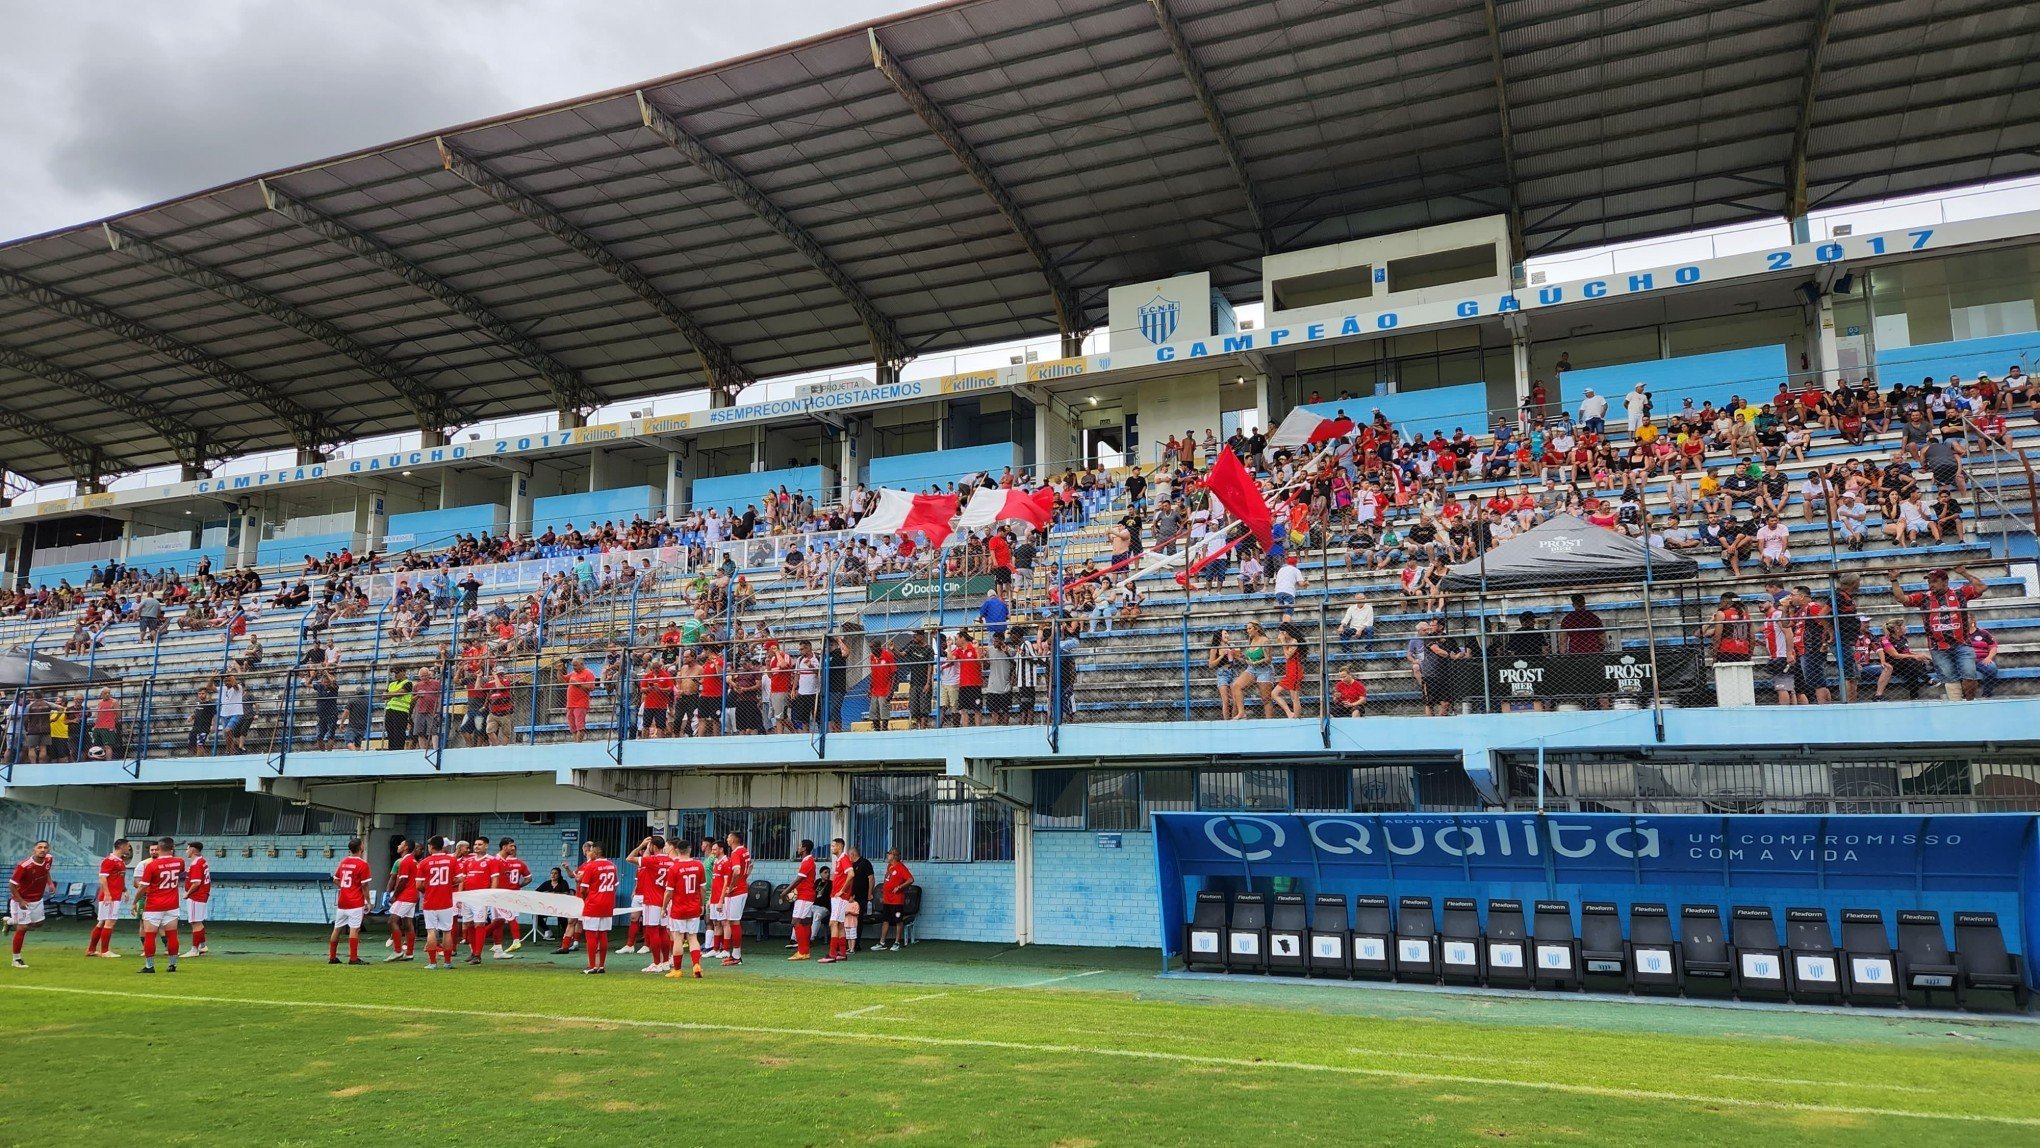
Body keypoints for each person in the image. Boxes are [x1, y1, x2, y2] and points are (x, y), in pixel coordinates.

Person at [1889, 565, 1985, 700]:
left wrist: (1964, 573)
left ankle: (1970, 702)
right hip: (1938, 647)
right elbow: (1901, 598)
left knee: (1969, 675)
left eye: (1934, 581)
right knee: (1950, 678)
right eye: (1929, 581)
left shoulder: (1959, 593)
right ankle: (1956, 705)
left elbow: (1981, 588)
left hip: (1962, 644)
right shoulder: (1924, 597)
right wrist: (1894, 580)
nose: (1930, 584)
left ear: (1945, 581)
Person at [133, 837, 186, 974]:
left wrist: (134, 902)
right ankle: (172, 965)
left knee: (150, 935)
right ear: (172, 848)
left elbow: (143, 887)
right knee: (172, 934)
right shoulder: (179, 862)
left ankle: (150, 966)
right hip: (172, 904)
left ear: (159, 849)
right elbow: (179, 871)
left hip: (154, 905)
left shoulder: (151, 865)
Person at [661, 838, 707, 980]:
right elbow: (703, 888)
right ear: (690, 849)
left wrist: (663, 907)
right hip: (693, 907)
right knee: (693, 937)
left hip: (679, 908)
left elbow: (669, 892)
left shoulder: (674, 868)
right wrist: (701, 904)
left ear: (677, 850)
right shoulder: (698, 865)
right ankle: (696, 965)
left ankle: (678, 970)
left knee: (678, 938)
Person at [573, 839, 619, 974]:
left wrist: (588, 896)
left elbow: (582, 889)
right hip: (608, 904)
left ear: (598, 851)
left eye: (592, 850)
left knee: (591, 935)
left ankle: (592, 965)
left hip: (593, 904)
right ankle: (602, 966)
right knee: (603, 934)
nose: (590, 852)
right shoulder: (612, 866)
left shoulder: (590, 866)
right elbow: (615, 886)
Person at [327, 837, 373, 965]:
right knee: (354, 929)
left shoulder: (344, 862)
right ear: (361, 848)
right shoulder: (363, 864)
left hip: (343, 901)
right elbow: (364, 885)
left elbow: (335, 879)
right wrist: (368, 902)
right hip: (355, 902)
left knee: (337, 928)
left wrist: (345, 888)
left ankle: (332, 957)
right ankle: (353, 958)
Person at [9, 840, 53, 967]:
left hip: (37, 900)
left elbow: (46, 871)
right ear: (34, 849)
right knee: (22, 928)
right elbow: (11, 885)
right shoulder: (24, 866)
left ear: (48, 850)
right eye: (39, 847)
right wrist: (21, 900)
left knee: (39, 924)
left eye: (45, 847)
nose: (42, 850)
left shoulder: (49, 859)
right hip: (22, 901)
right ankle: (16, 959)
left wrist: (50, 883)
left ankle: (11, 921)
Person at [86, 838, 132, 958]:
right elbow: (102, 878)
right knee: (110, 921)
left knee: (102, 922)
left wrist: (125, 890)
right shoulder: (109, 860)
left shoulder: (120, 861)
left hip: (114, 895)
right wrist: (107, 894)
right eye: (128, 846)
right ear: (121, 846)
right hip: (110, 897)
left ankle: (91, 950)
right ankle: (105, 951)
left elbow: (118, 878)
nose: (129, 848)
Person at [417, 836, 458, 970]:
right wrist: (448, 885)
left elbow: (418, 885)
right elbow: (461, 878)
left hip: (430, 901)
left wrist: (427, 890)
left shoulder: (423, 863)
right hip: (446, 901)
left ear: (431, 846)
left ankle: (433, 963)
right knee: (447, 931)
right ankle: (447, 962)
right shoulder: (451, 860)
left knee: (431, 931)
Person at [818, 838, 861, 965]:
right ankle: (842, 953)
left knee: (833, 923)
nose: (831, 848)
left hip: (840, 897)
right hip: (838, 897)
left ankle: (831, 954)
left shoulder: (844, 858)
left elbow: (851, 874)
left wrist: (842, 891)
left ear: (840, 846)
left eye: (833, 846)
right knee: (840, 924)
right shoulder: (839, 860)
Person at [491, 839, 530, 959]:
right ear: (504, 847)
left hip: (502, 894)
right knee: (508, 918)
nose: (513, 848)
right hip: (504, 894)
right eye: (511, 846)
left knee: (500, 920)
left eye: (514, 846)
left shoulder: (505, 862)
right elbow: (529, 878)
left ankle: (498, 946)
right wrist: (518, 886)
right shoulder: (518, 863)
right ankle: (513, 941)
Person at [719, 829, 753, 966]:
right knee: (733, 922)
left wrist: (732, 886)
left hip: (736, 892)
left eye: (728, 837)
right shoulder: (745, 851)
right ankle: (734, 954)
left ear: (733, 840)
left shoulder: (736, 852)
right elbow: (750, 867)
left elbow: (737, 870)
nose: (727, 839)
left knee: (734, 922)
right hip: (742, 889)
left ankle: (737, 956)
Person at [384, 838, 419, 961]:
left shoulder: (405, 861)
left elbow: (403, 881)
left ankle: (397, 950)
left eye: (401, 844)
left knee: (392, 921)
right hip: (412, 895)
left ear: (406, 847)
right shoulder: (413, 861)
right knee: (408, 924)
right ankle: (409, 953)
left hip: (405, 896)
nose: (398, 845)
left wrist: (394, 896)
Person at [873, 848, 915, 951]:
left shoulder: (901, 867)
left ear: (894, 856)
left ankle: (897, 942)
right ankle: (882, 942)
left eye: (889, 854)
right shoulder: (889, 866)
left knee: (898, 920)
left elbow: (910, 879)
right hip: (887, 900)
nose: (887, 856)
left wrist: (900, 887)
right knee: (885, 920)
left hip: (897, 900)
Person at [786, 838, 818, 961]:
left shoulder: (807, 861)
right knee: (805, 922)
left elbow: (799, 879)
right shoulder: (807, 861)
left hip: (805, 896)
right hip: (805, 896)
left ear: (804, 848)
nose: (798, 848)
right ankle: (805, 951)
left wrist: (785, 892)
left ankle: (802, 951)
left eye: (799, 846)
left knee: (796, 921)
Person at [182, 840, 211, 956]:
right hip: (202, 895)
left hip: (196, 896)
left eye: (187, 849)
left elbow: (196, 882)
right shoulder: (202, 861)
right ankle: (202, 946)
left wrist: (187, 893)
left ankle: (194, 950)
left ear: (193, 849)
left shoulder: (196, 864)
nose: (186, 851)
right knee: (198, 921)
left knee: (195, 922)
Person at [562, 658, 597, 743]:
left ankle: (578, 744)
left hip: (580, 703)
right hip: (570, 704)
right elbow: (562, 679)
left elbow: (591, 687)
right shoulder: (573, 673)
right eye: (573, 665)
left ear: (581, 664)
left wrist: (578, 684)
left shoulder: (588, 673)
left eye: (575, 665)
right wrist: (559, 671)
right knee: (572, 726)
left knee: (580, 725)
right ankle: (577, 742)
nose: (573, 667)